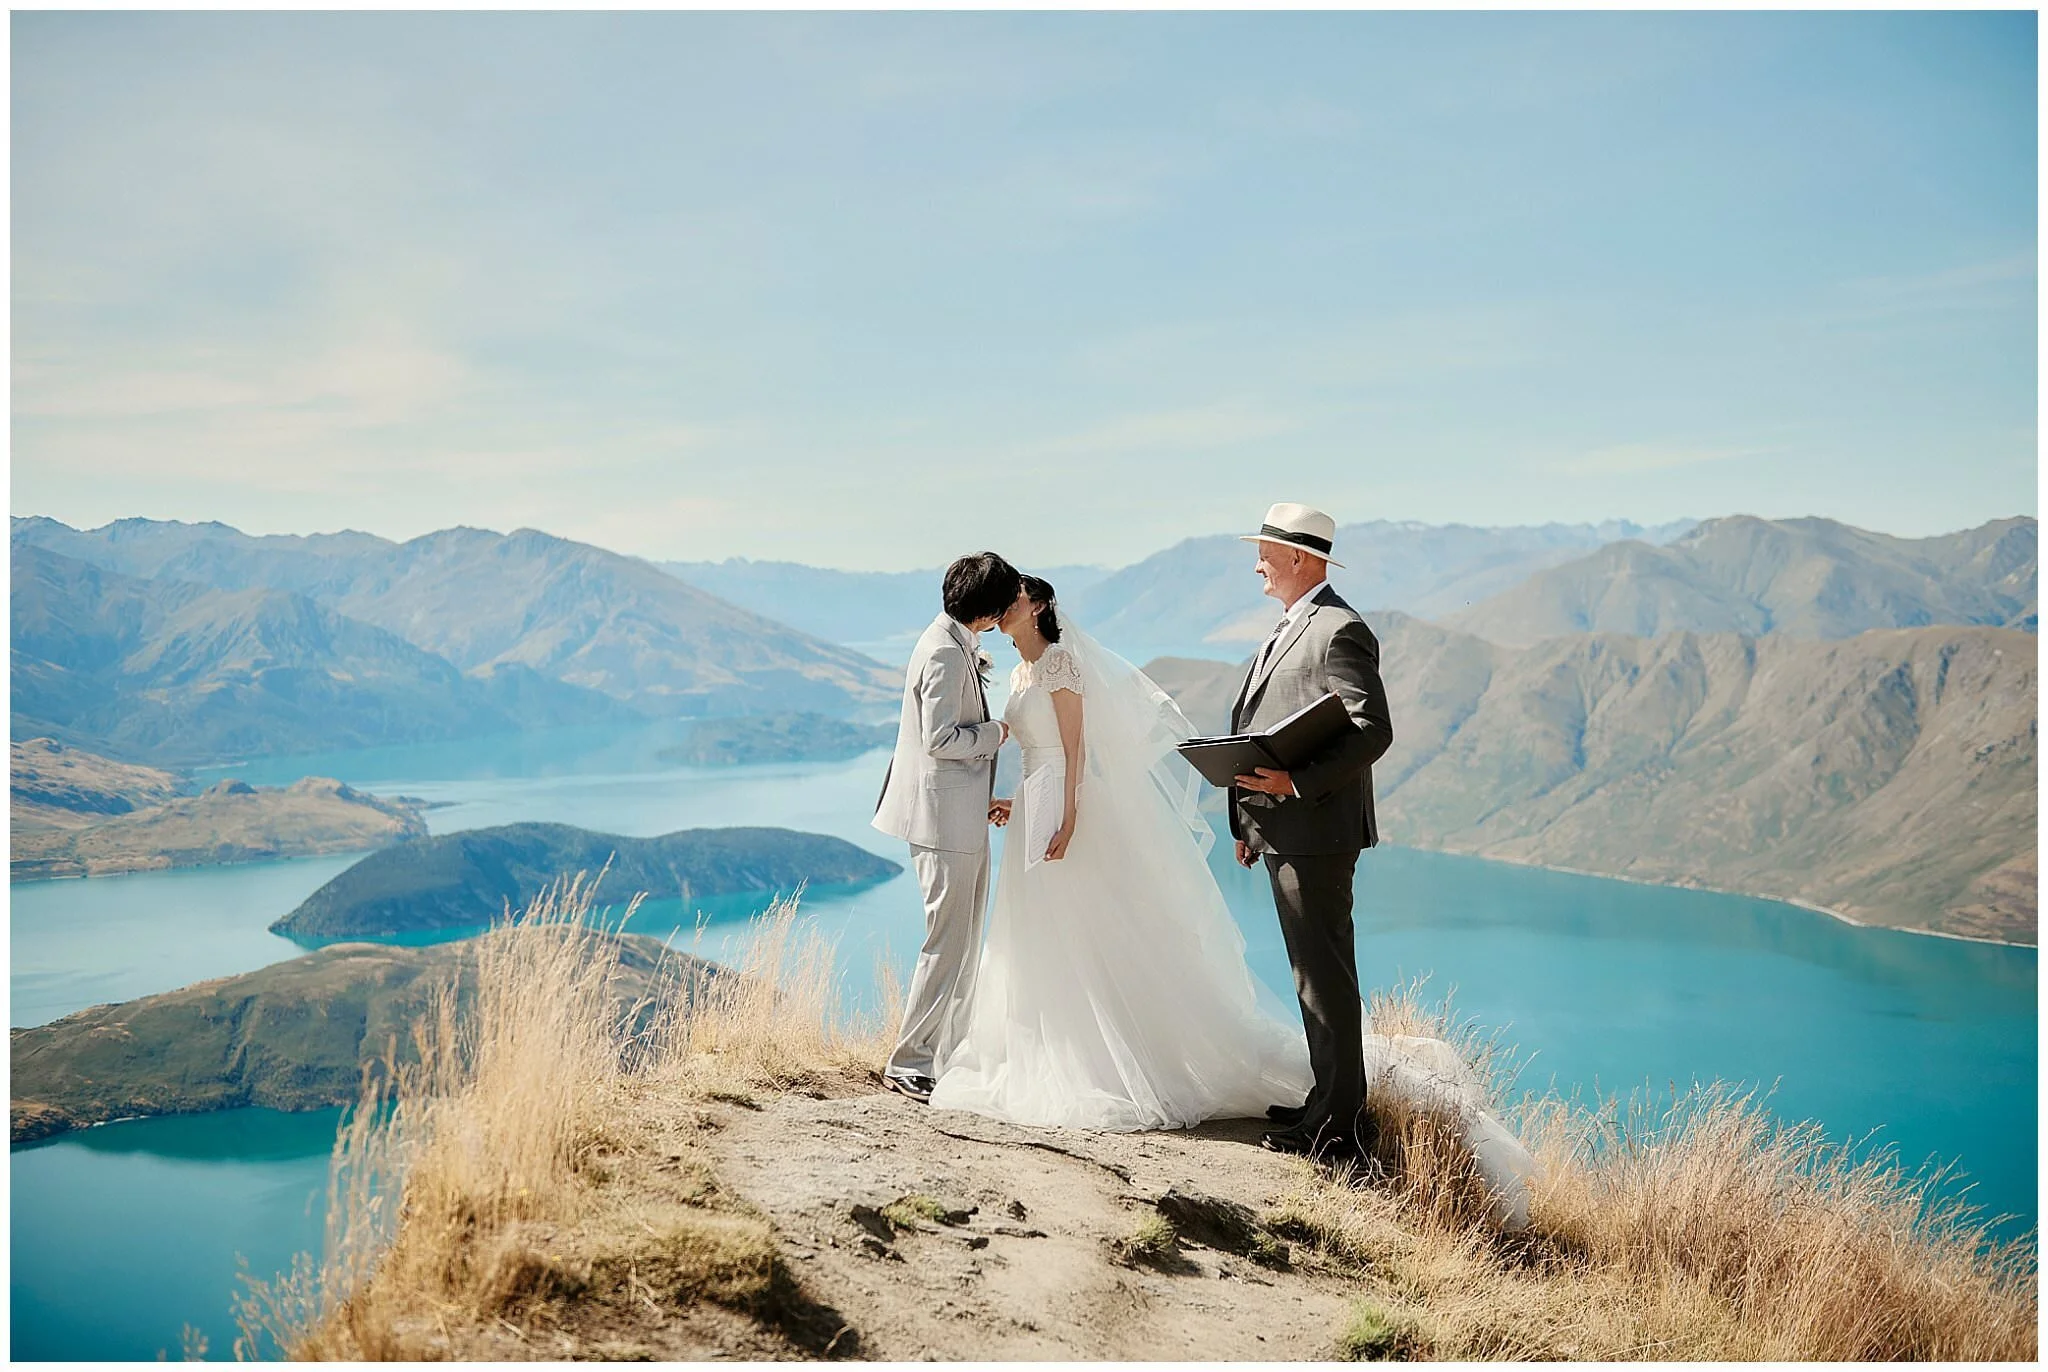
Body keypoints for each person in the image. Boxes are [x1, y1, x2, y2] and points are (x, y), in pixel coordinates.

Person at [927, 573, 1313, 1130]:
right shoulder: (1019, 671)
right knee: (1038, 933)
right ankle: (1048, 1046)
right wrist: (1021, 803)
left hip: (1069, 811)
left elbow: (1075, 751)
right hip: (1036, 809)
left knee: (1083, 931)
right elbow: (1037, 753)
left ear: (1039, 606)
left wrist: (1069, 817)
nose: (1005, 607)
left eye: (1015, 598)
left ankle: (1109, 1061)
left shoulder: (1060, 663)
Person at [1227, 502, 1394, 1164]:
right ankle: (1326, 1104)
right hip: (1284, 830)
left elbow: (1371, 729)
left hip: (1317, 833)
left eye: (1265, 553)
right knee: (1311, 976)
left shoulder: (1339, 629)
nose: (1257, 565)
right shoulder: (1294, 624)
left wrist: (1294, 786)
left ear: (1298, 557)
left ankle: (1337, 1132)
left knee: (1324, 979)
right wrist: (1249, 821)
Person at [872, 551, 1025, 1103]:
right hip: (941, 821)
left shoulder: (953, 642)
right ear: (987, 609)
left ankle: (942, 1055)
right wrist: (997, 733)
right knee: (946, 943)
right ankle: (908, 1061)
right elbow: (940, 739)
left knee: (961, 941)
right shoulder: (943, 651)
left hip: (958, 814)